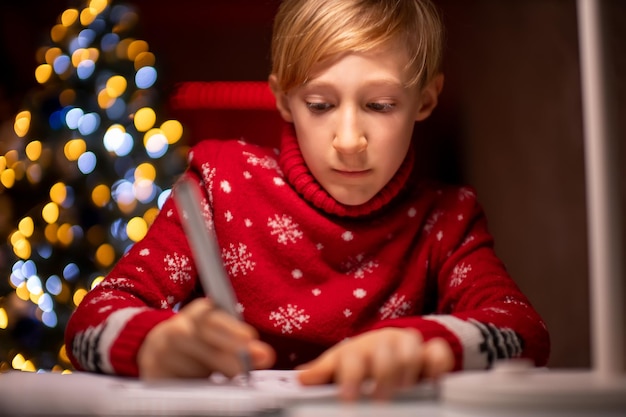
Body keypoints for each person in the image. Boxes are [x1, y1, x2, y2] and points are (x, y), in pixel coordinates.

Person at [65, 0, 550, 401]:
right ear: (283, 99)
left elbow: (521, 331)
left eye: (380, 106)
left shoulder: (447, 220)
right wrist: (152, 344)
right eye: (320, 106)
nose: (348, 139)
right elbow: (90, 321)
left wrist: (426, 346)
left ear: (425, 100)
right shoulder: (220, 185)